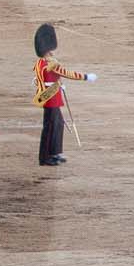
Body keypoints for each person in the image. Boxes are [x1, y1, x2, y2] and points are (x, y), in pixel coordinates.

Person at [32, 23, 95, 166]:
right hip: (50, 97)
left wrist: (58, 84)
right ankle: (45, 157)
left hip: (51, 95)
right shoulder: (50, 63)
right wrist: (86, 77)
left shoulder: (40, 63)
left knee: (58, 124)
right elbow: (67, 73)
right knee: (50, 127)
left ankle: (54, 152)